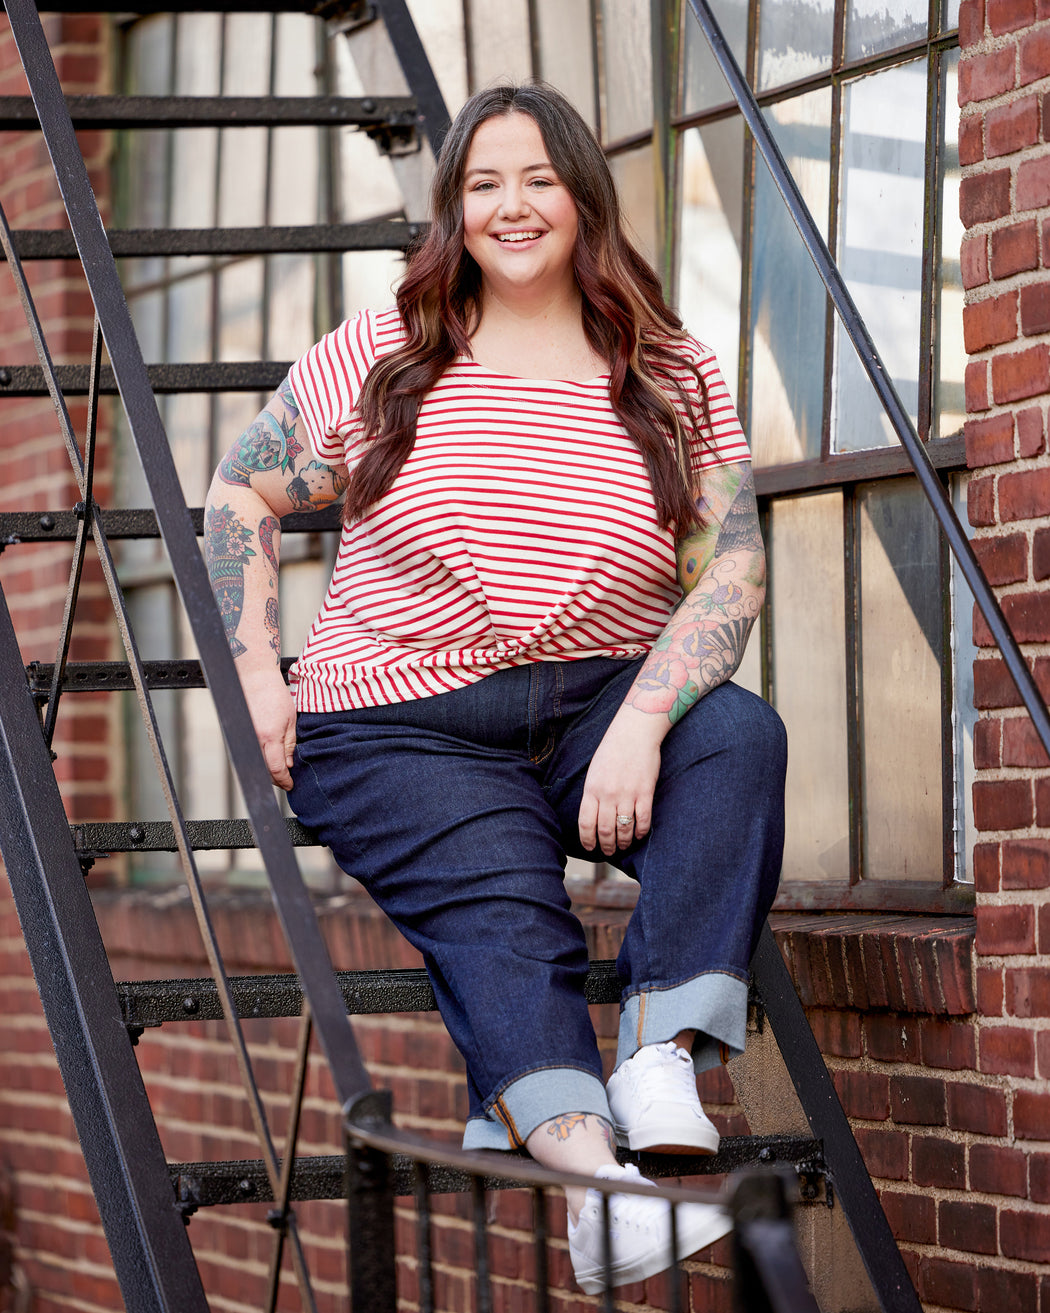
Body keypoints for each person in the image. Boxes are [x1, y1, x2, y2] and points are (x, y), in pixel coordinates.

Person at [204, 80, 786, 1295]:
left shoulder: (669, 367)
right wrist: (259, 665)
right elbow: (242, 493)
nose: (510, 206)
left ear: (583, 193)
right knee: (507, 913)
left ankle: (660, 1054)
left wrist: (639, 720)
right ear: (451, 208)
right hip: (396, 718)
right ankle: (599, 1194)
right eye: (481, 184)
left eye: (536, 178)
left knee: (736, 738)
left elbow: (729, 563)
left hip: (593, 705)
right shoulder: (385, 355)